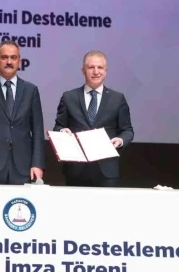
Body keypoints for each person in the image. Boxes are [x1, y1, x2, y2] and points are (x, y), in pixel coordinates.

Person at [52, 50, 134, 187]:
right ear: (83, 71)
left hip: (107, 170)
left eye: (100, 67)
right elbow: (58, 126)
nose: (96, 72)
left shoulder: (118, 98)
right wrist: (62, 132)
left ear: (106, 71)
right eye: (91, 67)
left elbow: (127, 130)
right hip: (75, 169)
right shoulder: (69, 97)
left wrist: (120, 140)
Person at [0, 40, 45, 184]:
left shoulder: (31, 90)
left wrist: (37, 163)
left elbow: (37, 129)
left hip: (23, 165)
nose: (9, 61)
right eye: (4, 57)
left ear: (19, 62)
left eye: (13, 57)